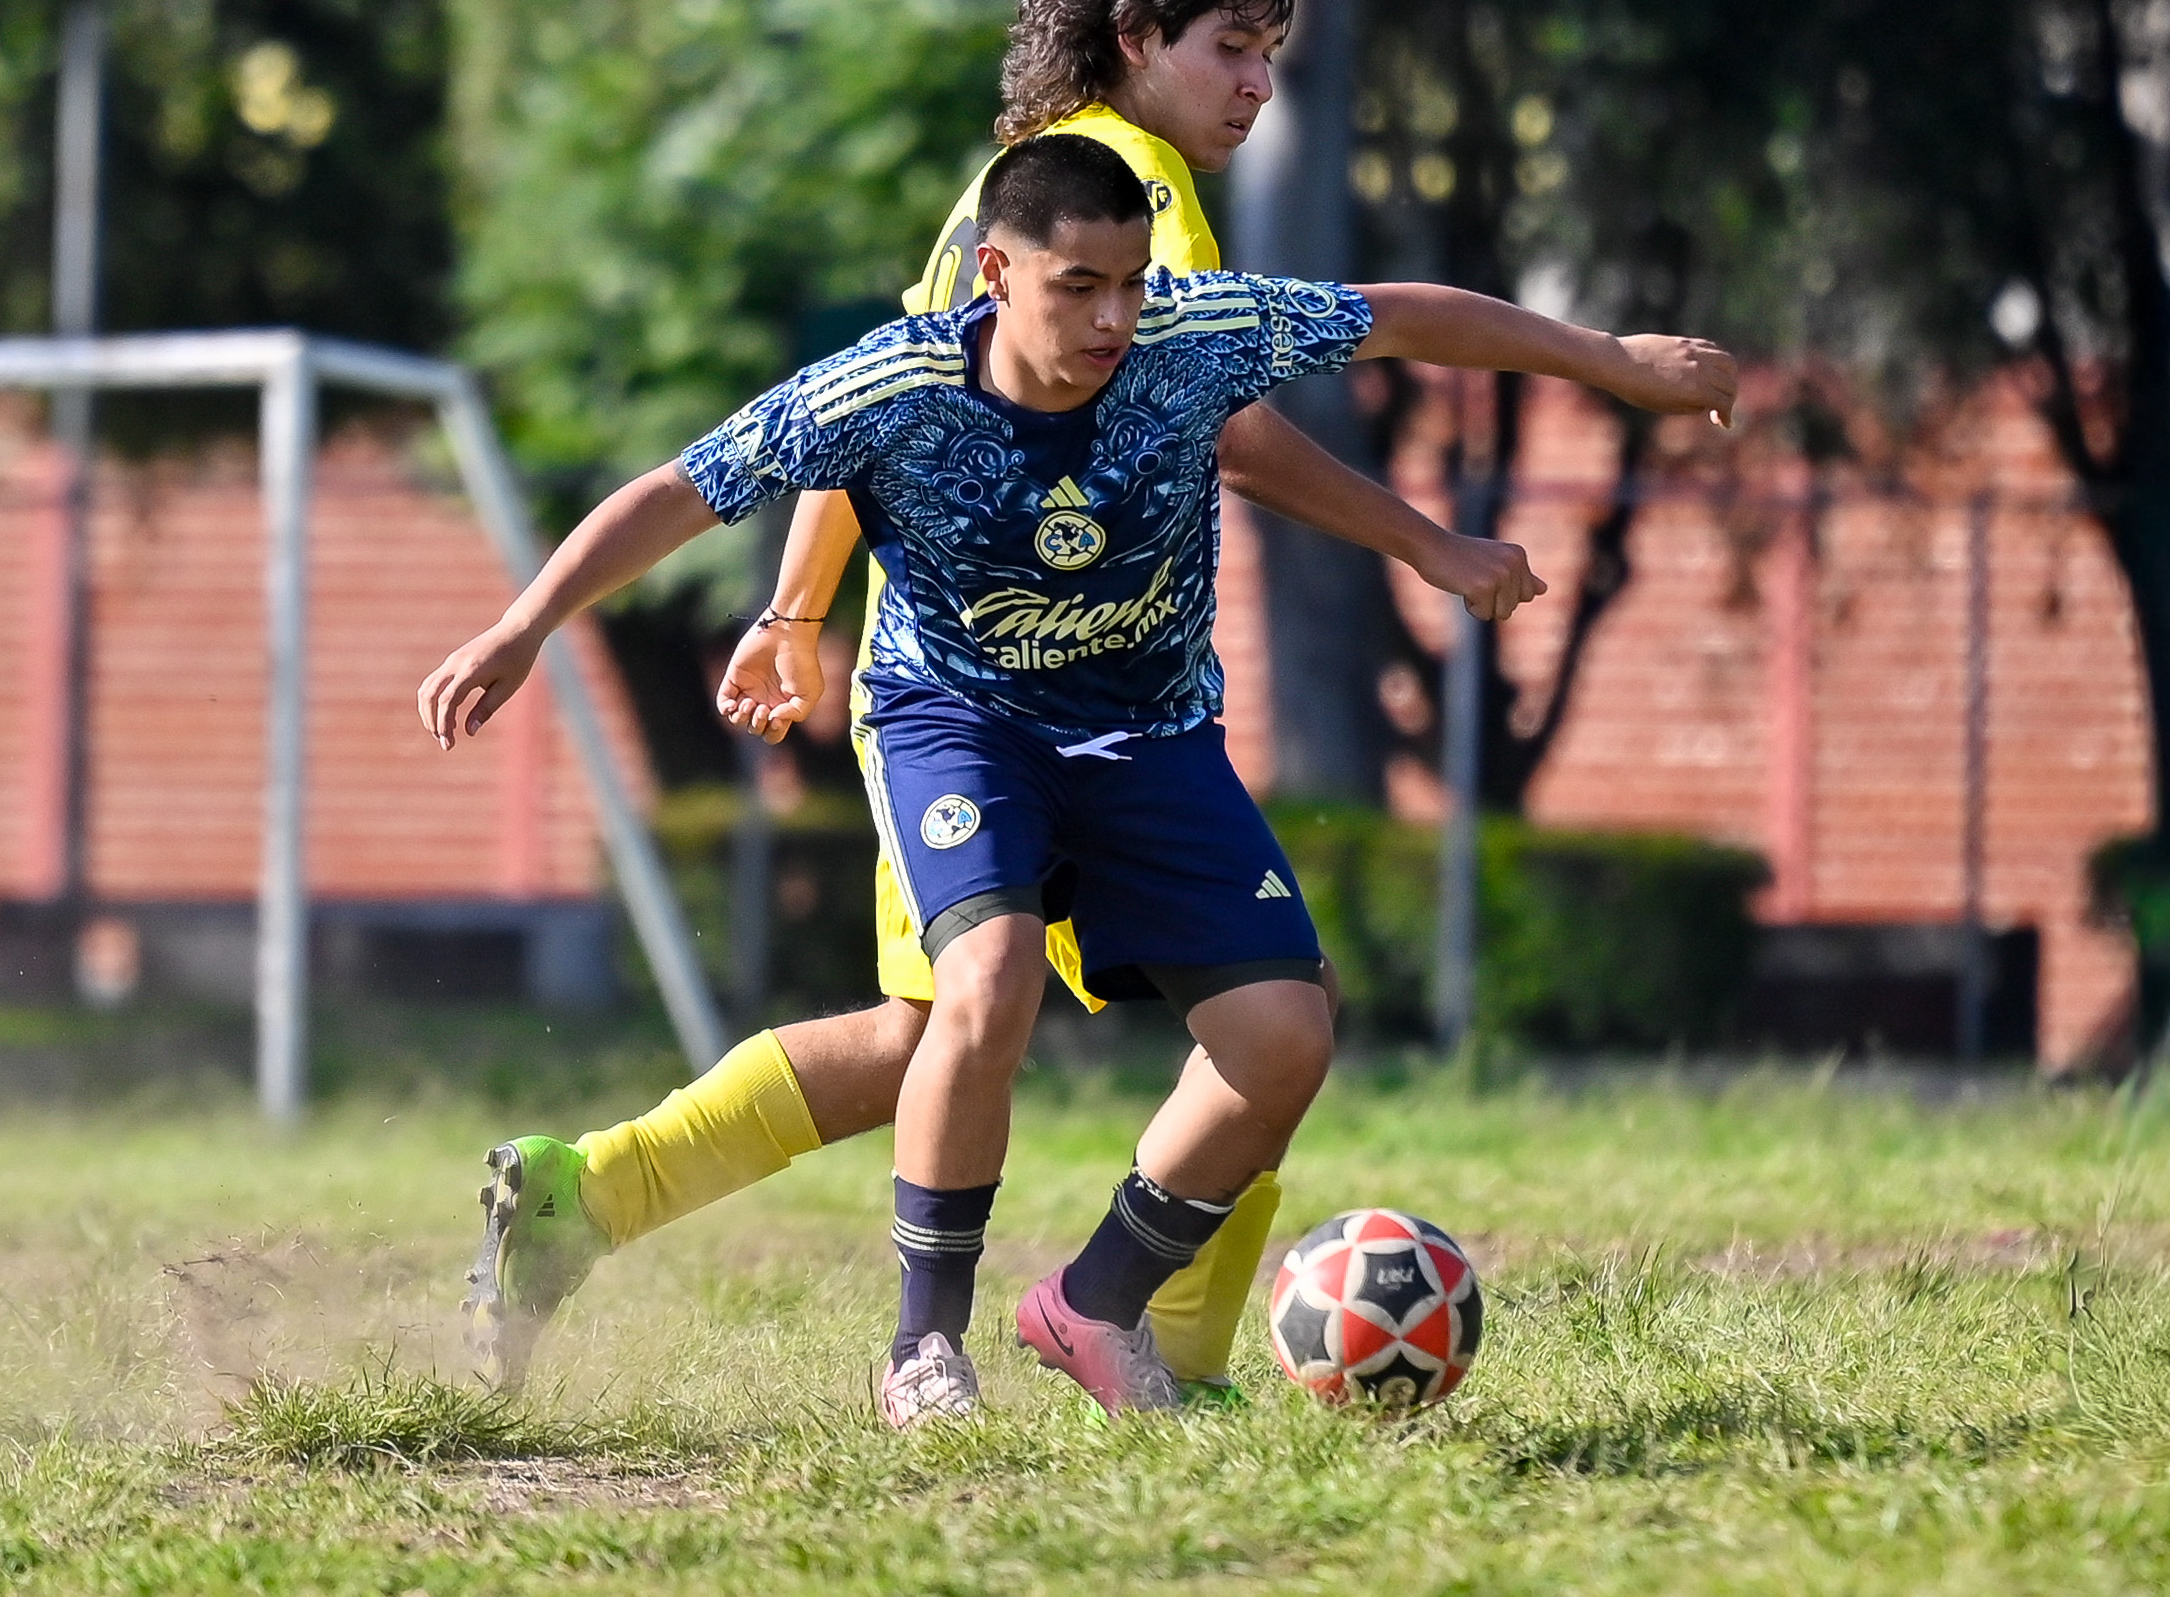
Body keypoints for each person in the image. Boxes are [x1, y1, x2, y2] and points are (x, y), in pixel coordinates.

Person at [420, 133, 1737, 1425]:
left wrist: (1604, 361)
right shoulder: (893, 388)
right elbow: (677, 490)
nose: (1115, 316)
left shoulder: (1196, 336)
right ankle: (922, 1347)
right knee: (979, 989)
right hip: (959, 726)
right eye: (1079, 287)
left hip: (1151, 737)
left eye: (1133, 280)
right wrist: (527, 622)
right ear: (994, 273)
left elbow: (1400, 317)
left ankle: (1093, 1303)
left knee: (1287, 1036)